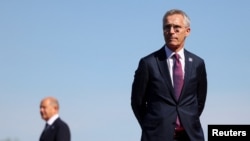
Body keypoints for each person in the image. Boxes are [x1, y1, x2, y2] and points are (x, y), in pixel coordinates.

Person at [131, 9, 207, 141]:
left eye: (177, 27)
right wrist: (152, 127)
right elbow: (137, 102)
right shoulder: (148, 63)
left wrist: (187, 120)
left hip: (190, 136)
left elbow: (199, 101)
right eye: (167, 27)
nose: (171, 31)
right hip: (156, 136)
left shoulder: (197, 63)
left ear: (187, 31)